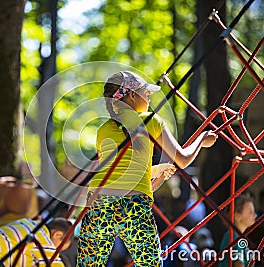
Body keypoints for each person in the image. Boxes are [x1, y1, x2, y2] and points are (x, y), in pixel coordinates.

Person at [76, 71, 218, 266]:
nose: (149, 96)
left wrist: (156, 170)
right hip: (133, 203)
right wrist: (202, 139)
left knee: (90, 264)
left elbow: (117, 171)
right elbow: (183, 160)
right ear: (132, 95)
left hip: (100, 200)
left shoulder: (103, 130)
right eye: (146, 92)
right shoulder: (152, 120)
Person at [0, 217, 73, 267]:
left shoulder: (28, 222)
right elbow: (53, 263)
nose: (56, 252)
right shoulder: (44, 240)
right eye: (58, 248)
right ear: (57, 234)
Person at [219, 194, 257, 267]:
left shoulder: (238, 237)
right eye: (250, 212)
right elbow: (239, 265)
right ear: (237, 216)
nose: (255, 215)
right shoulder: (233, 236)